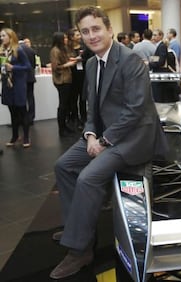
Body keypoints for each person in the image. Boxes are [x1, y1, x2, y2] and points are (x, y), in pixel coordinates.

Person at [50, 6, 166, 279]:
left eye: (96, 29)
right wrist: (90, 134)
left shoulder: (131, 60)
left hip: (133, 137)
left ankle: (80, 251)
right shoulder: (91, 63)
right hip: (104, 134)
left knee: (88, 178)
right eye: (85, 31)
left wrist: (103, 140)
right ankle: (75, 226)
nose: (91, 36)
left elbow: (135, 110)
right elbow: (92, 109)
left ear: (109, 30)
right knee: (63, 166)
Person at [0, 28, 32, 148]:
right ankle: (14, 136)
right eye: (1, 36)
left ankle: (26, 137)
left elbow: (27, 66)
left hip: (18, 85)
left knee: (22, 112)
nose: (1, 38)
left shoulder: (18, 50)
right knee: (13, 113)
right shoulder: (2, 51)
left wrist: (13, 68)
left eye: (3, 36)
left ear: (10, 37)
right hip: (7, 85)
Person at [50, 31, 77, 137]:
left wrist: (69, 60)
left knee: (66, 104)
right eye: (64, 38)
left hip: (66, 79)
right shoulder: (55, 51)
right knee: (63, 104)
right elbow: (56, 67)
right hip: (61, 80)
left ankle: (64, 126)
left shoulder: (62, 49)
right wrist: (68, 64)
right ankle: (61, 128)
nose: (66, 40)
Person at [67, 27, 87, 129]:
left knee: (82, 98)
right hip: (71, 75)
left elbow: (88, 58)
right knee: (73, 98)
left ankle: (84, 119)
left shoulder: (84, 46)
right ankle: (75, 118)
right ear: (71, 37)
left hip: (82, 75)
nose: (79, 37)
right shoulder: (67, 48)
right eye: (77, 35)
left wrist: (81, 59)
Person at [19, 38, 37, 125]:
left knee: (21, 98)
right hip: (30, 77)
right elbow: (33, 64)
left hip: (21, 78)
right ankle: (31, 117)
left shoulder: (17, 50)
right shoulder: (31, 50)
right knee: (30, 98)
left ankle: (23, 118)